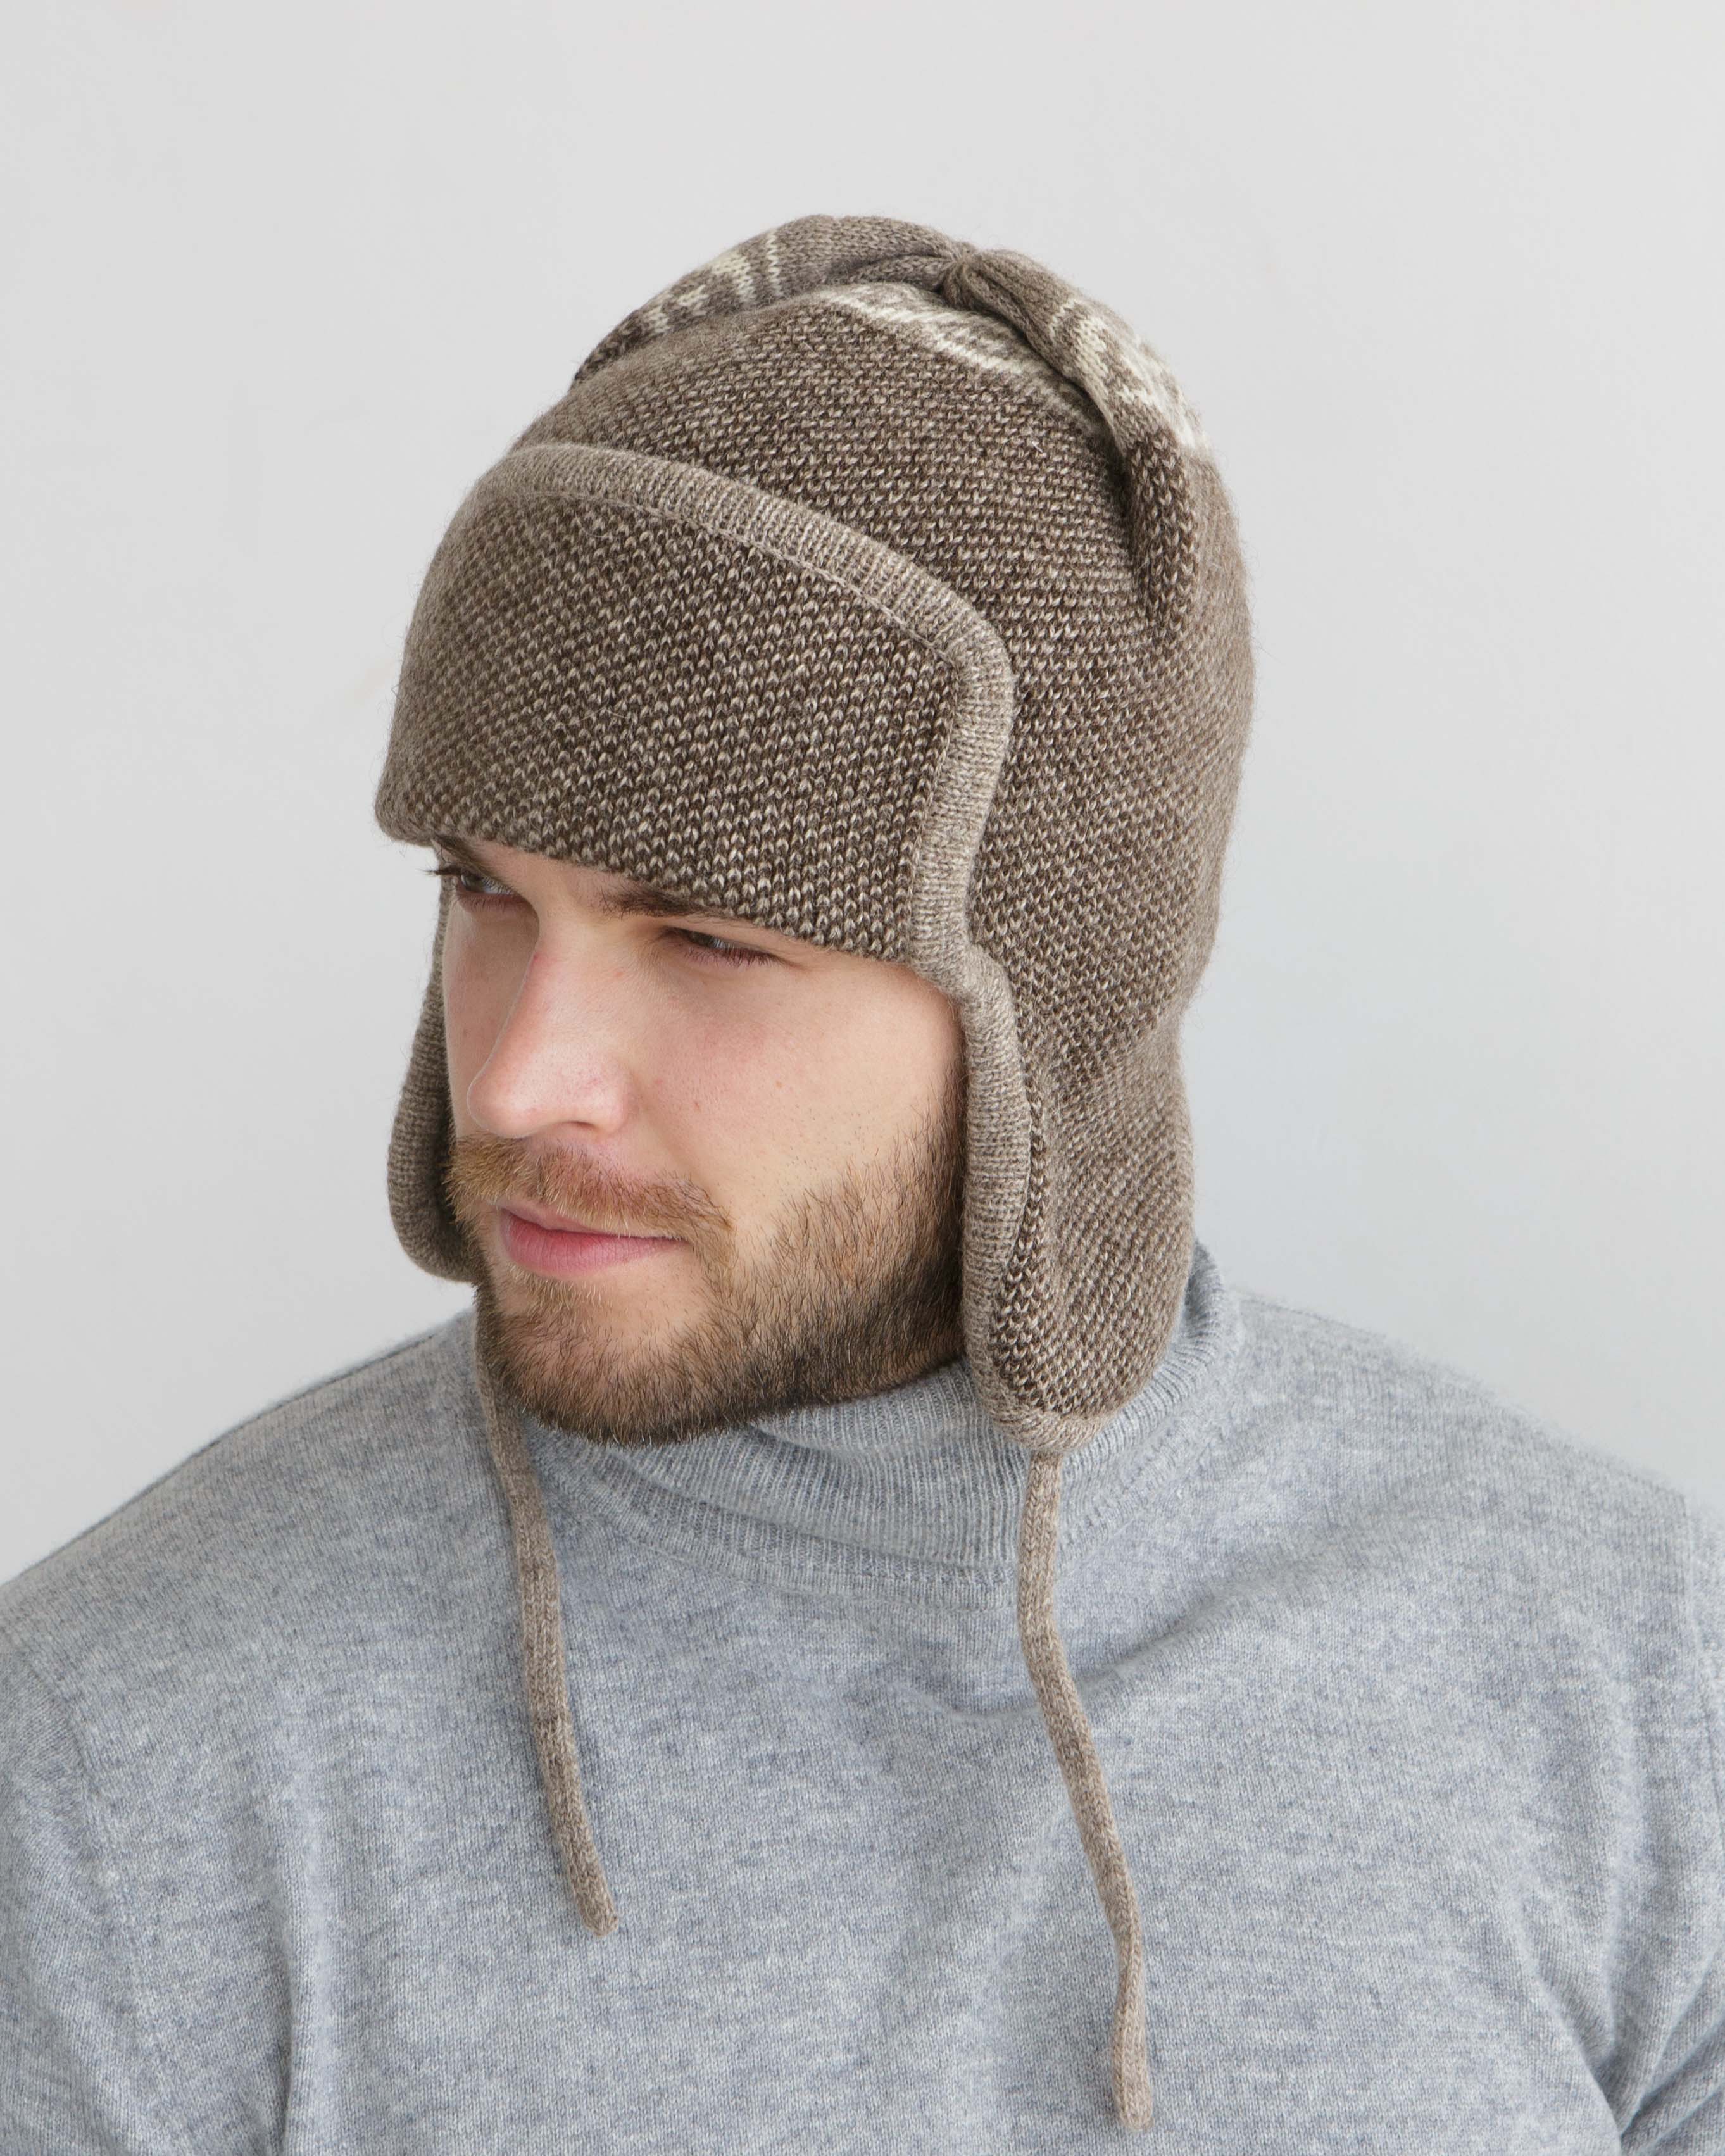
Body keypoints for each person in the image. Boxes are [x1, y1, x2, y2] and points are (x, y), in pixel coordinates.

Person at [2, 213, 1719, 2153]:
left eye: (708, 937)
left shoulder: (1632, 1684)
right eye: (484, 891)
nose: (525, 1074)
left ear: (1051, 1005)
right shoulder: (117, 1772)